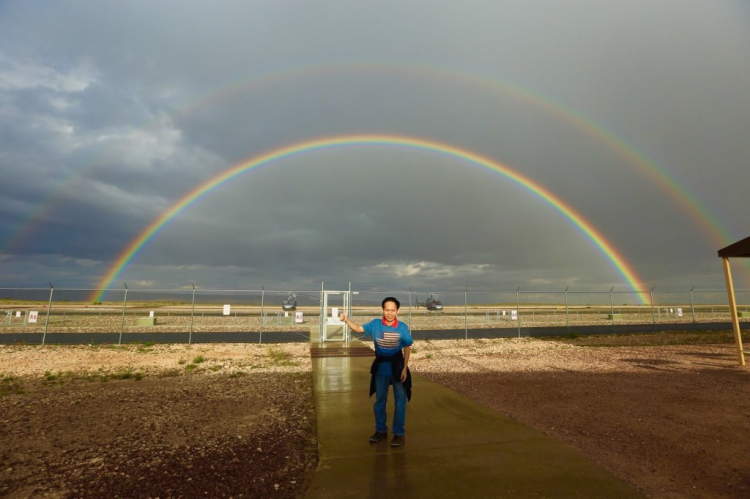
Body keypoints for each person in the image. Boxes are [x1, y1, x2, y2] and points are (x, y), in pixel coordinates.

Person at [340, 296, 413, 447]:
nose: (390, 313)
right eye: (387, 310)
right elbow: (359, 329)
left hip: (398, 367)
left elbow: (407, 347)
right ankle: (380, 430)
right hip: (381, 368)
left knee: (400, 401)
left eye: (393, 310)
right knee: (380, 401)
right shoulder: (375, 324)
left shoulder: (402, 327)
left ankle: (399, 433)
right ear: (382, 310)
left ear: (397, 311)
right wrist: (347, 320)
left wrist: (405, 368)